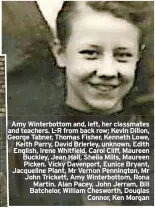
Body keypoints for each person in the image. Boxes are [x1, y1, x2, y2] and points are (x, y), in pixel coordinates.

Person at [9, 1, 153, 206]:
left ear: (138, 56)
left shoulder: (147, 140)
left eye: (123, 55)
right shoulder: (23, 149)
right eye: (90, 53)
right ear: (60, 53)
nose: (107, 71)